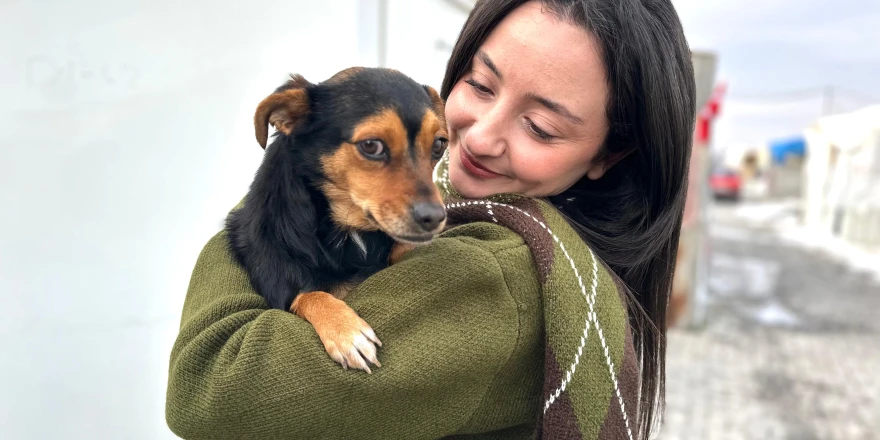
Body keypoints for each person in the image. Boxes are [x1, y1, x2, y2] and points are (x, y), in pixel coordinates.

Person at [164, 0, 695, 439]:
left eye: (539, 125)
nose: (480, 136)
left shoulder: (503, 277)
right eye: (481, 86)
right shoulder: (464, 206)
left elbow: (209, 391)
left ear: (607, 156)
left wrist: (258, 215)